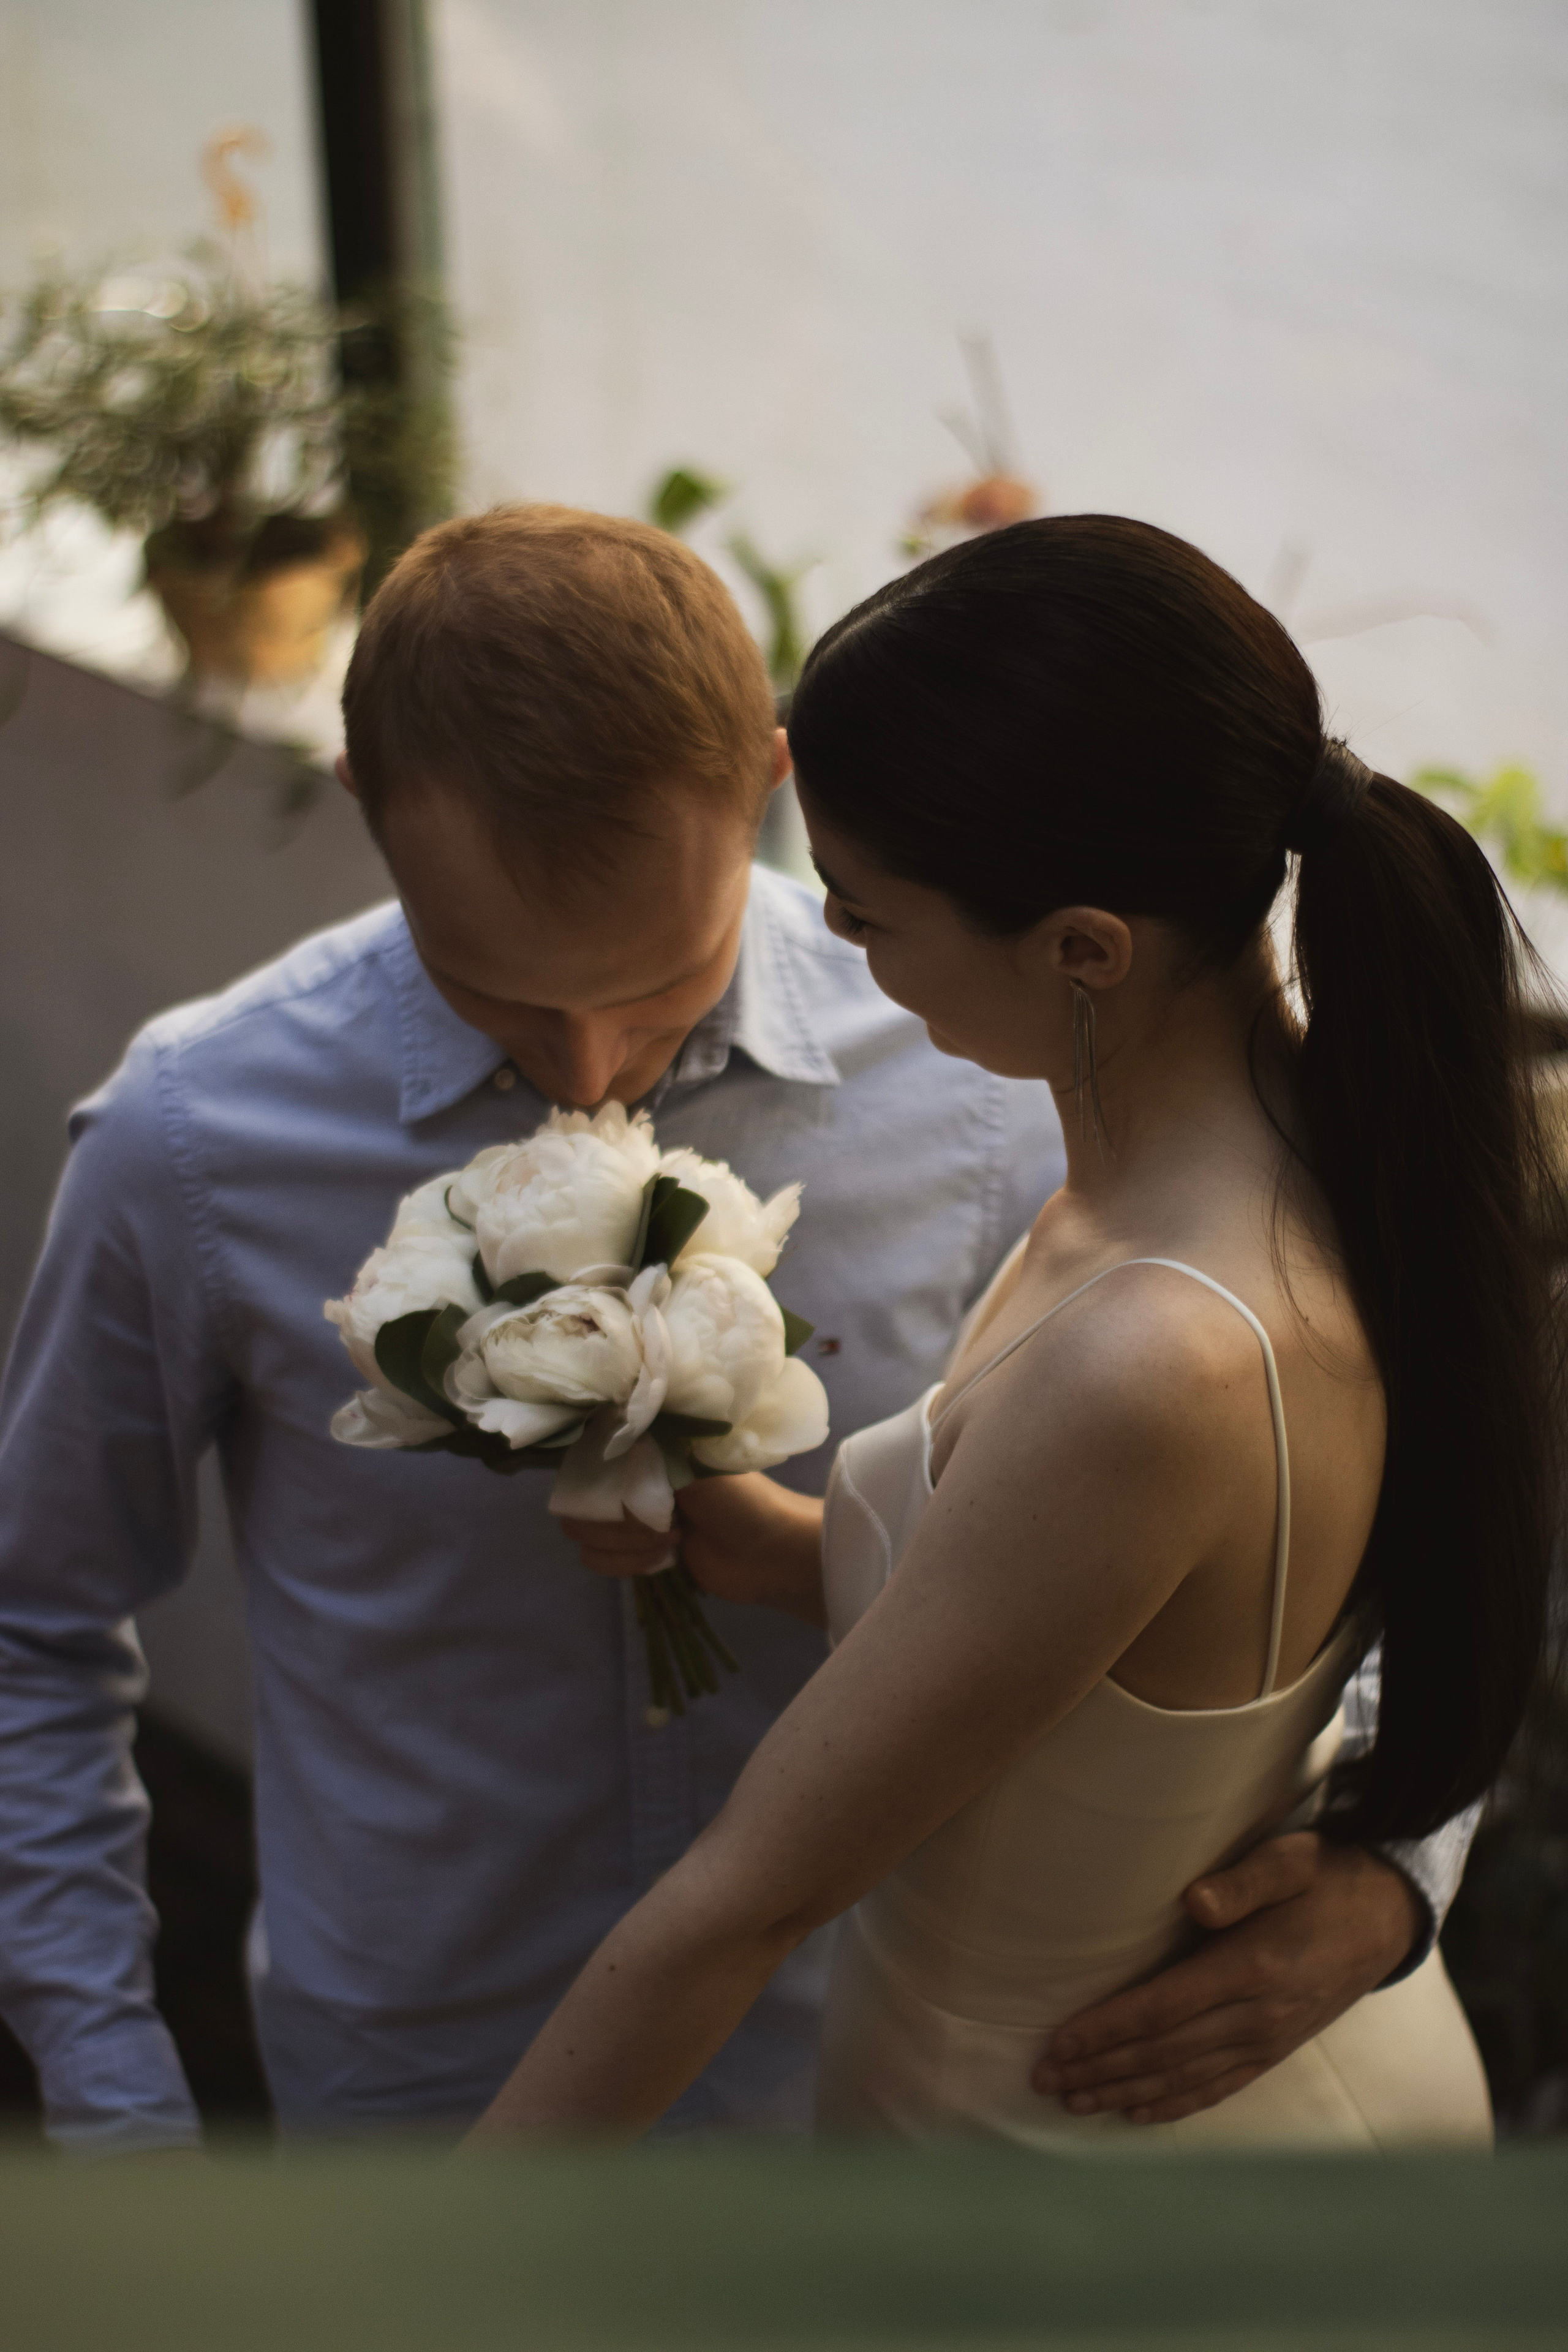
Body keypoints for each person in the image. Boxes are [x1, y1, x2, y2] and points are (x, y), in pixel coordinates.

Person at [0, 507, 1470, 2154]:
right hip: (423, 2076)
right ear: (362, 802)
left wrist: (1397, 1863)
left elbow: (1326, 1483)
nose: (584, 1070)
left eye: (658, 986)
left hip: (860, 2078)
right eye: (499, 997)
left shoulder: (1007, 1071)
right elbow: (27, 1630)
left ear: (768, 777)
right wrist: (110, 2097)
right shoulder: (189, 1143)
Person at [469, 514, 1558, 2150]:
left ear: (1081, 950)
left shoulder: (1163, 1357)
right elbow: (1111, 1635)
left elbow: (744, 1903)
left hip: (1108, 2156)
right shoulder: (1313, 1130)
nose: (838, 947)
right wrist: (769, 1541)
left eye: (862, 915)